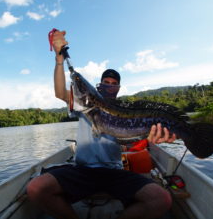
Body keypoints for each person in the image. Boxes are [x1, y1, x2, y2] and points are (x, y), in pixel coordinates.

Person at [27, 30, 177, 219]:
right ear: (99, 85)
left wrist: (156, 137)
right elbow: (60, 93)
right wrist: (59, 60)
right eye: (105, 82)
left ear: (118, 88)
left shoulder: (125, 111)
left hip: (114, 172)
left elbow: (130, 142)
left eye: (113, 83)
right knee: (35, 188)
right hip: (82, 170)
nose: (109, 85)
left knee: (161, 199)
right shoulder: (83, 106)